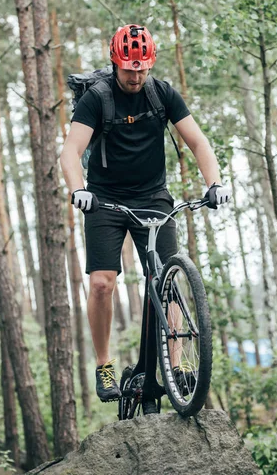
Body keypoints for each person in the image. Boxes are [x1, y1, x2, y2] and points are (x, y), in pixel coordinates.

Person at [60, 23, 231, 410]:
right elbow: (70, 152)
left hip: (153, 196)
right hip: (103, 200)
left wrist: (215, 182)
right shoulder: (97, 99)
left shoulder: (162, 93)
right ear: (115, 62)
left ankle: (174, 361)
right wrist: (79, 189)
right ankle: (104, 363)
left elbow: (198, 141)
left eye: (141, 68)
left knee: (167, 276)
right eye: (128, 69)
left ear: (150, 63)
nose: (135, 76)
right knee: (103, 282)